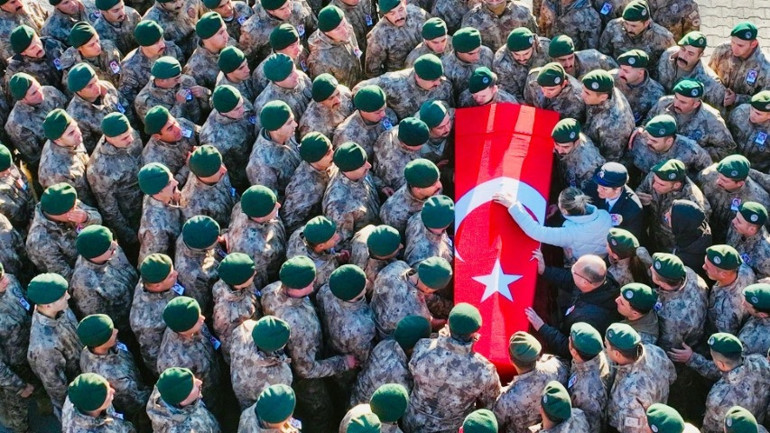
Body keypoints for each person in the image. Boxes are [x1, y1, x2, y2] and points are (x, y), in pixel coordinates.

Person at [404, 303, 501, 432]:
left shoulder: (423, 348)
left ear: (448, 323)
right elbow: (490, 404)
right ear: (474, 333)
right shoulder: (484, 371)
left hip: (412, 423)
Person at [527, 251, 621, 357]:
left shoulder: (589, 319)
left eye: (574, 271)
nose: (572, 271)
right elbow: (570, 280)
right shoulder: (599, 279)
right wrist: (545, 270)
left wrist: (542, 327)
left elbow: (569, 349)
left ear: (585, 282)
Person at [495, 186, 612, 265]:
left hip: (580, 265)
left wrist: (513, 205)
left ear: (565, 211)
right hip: (601, 258)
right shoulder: (604, 214)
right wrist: (558, 207)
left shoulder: (569, 234)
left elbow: (536, 231)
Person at [604, 323, 677, 433]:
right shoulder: (655, 351)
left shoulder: (627, 396)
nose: (605, 348)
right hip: (659, 408)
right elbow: (672, 377)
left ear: (617, 354)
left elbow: (633, 430)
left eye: (606, 346)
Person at [492, 331, 568, 433]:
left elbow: (495, 423)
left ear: (511, 359)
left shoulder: (507, 399)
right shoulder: (556, 366)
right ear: (537, 356)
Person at [565, 322, 611, 433]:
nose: (568, 339)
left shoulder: (588, 393)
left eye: (570, 340)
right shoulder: (593, 354)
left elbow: (592, 426)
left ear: (574, 352)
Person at [146, 367, 221, 433]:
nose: (200, 382)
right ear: (182, 399)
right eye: (192, 386)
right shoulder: (178, 430)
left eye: (194, 379)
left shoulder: (187, 401)